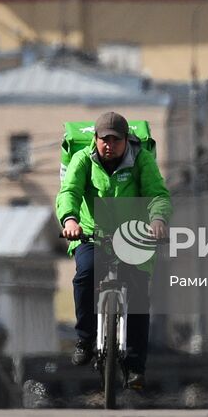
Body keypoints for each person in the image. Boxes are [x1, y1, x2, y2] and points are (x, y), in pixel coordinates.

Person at [55, 111, 172, 391]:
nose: (109, 145)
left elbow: (158, 194)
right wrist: (69, 220)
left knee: (138, 292)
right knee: (86, 273)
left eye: (115, 140)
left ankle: (134, 366)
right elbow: (68, 191)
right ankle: (84, 338)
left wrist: (158, 220)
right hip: (90, 232)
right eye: (103, 139)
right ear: (94, 139)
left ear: (126, 140)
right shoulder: (83, 159)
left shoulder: (141, 159)